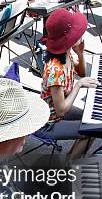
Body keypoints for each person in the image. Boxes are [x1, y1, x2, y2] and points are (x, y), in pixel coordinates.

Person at [37, 9, 97, 158]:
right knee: (92, 129)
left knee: (95, 120)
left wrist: (80, 53)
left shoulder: (66, 53)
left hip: (57, 112)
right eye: (76, 33)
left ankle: (77, 156)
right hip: (48, 122)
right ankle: (71, 162)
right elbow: (61, 110)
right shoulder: (55, 71)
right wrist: (78, 85)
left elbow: (81, 72)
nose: (81, 35)